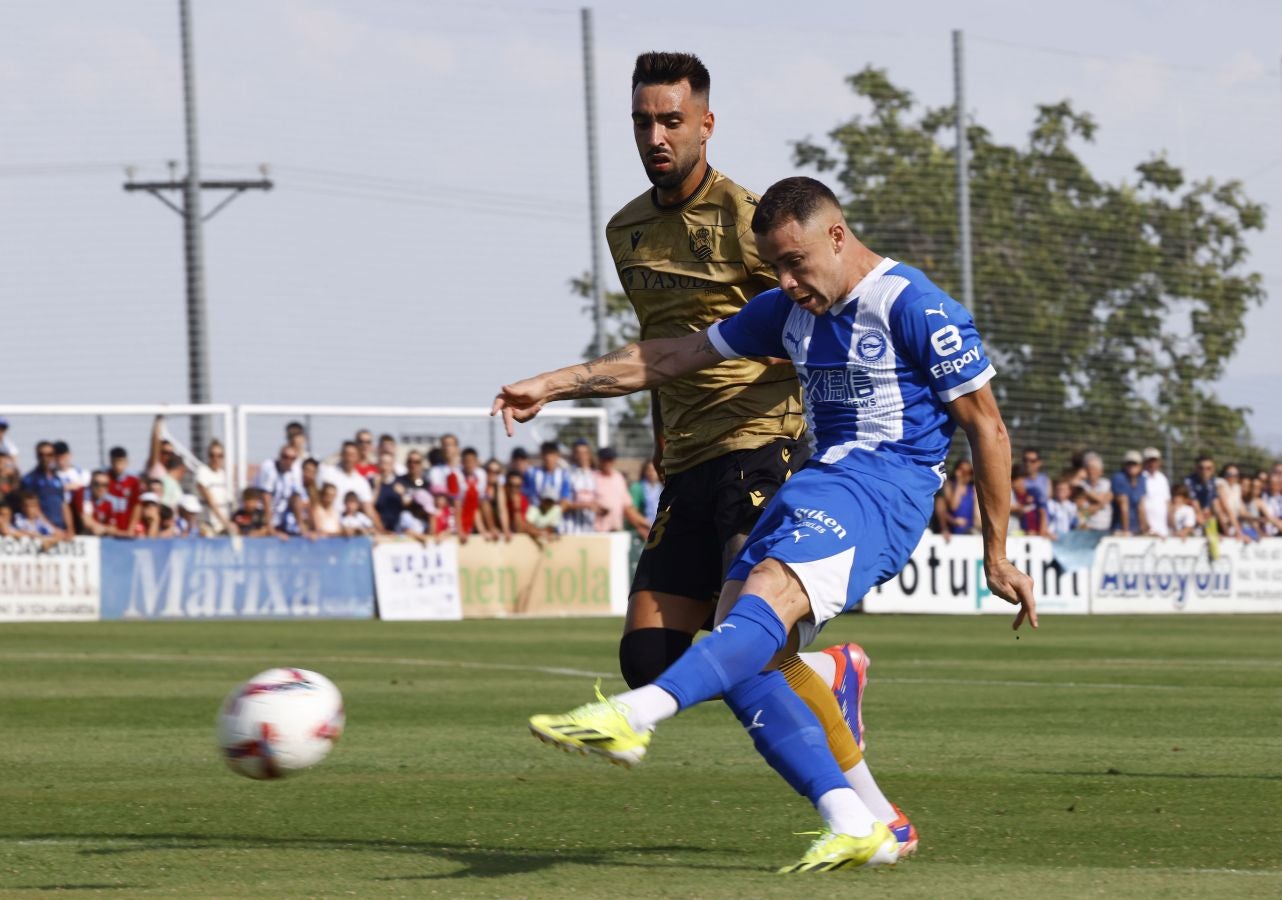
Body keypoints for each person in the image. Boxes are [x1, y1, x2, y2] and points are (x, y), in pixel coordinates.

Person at [496, 176, 1034, 871]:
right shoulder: (786, 309)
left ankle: (633, 718)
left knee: (763, 601)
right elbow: (669, 356)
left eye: (795, 262)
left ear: (836, 236)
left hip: (884, 489)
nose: (784, 280)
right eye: (774, 265)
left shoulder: (915, 306)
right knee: (745, 651)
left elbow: (986, 427)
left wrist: (998, 553)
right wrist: (553, 383)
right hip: (819, 481)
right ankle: (863, 820)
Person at [602, 51, 913, 855]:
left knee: (751, 640)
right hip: (688, 459)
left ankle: (866, 811)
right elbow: (658, 350)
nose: (656, 135)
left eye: (672, 119)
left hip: (760, 448)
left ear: (706, 123)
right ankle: (837, 686)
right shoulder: (625, 230)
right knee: (649, 656)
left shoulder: (750, 216)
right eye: (644, 121)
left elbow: (826, 304)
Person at [322, 441, 382, 531]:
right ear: (341, 455)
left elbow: (369, 509)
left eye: (352, 455)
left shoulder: (361, 482)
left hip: (350, 528)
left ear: (357, 457)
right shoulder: (328, 473)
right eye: (346, 454)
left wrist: (382, 530)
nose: (349, 458)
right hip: (329, 526)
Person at [595, 447, 650, 537]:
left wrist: (644, 523)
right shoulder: (592, 478)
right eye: (605, 459)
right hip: (597, 532)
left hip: (616, 532)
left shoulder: (618, 478)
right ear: (600, 460)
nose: (608, 462)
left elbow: (627, 507)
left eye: (611, 459)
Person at [255, 444, 308, 536]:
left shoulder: (296, 469)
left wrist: (301, 525)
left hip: (280, 515)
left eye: (292, 458)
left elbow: (295, 498)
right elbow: (266, 497)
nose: (288, 461)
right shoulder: (269, 467)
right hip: (261, 514)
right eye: (285, 457)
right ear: (280, 457)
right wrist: (270, 527)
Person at [21, 441, 71, 536]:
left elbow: (63, 504)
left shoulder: (58, 478)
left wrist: (70, 528)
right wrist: (51, 529)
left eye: (49, 454)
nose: (45, 458)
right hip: (42, 531)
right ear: (37, 456)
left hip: (61, 530)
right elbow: (32, 507)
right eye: (42, 454)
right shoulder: (30, 479)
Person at [195, 439, 235, 535]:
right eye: (212, 455)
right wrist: (226, 523)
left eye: (220, 456)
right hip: (207, 524)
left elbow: (230, 501)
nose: (215, 459)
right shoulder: (203, 472)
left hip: (222, 525)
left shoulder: (224, 475)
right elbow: (211, 501)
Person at [562, 439, 598, 534]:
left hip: (590, 530)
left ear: (589, 454)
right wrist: (585, 505)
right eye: (578, 453)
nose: (582, 456)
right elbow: (563, 504)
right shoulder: (567, 475)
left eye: (585, 453)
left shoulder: (594, 475)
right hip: (571, 530)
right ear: (574, 455)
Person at [103, 446, 142, 533]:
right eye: (115, 462)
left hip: (126, 529)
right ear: (111, 462)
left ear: (126, 462)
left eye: (121, 462)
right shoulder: (104, 479)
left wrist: (131, 528)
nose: (118, 466)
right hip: (108, 531)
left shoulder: (133, 482)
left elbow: (137, 506)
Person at [936, 458, 978, 537]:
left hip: (969, 531)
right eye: (963, 471)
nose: (965, 475)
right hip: (953, 531)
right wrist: (959, 484)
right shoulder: (949, 486)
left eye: (969, 472)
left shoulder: (972, 489)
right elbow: (953, 507)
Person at [1110, 451, 1148, 536]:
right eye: (1129, 464)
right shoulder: (1119, 478)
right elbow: (1124, 506)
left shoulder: (1142, 479)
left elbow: (1141, 507)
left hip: (1136, 529)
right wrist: (1125, 531)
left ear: (1140, 466)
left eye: (1135, 464)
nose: (1131, 467)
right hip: (1120, 529)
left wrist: (1144, 529)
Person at [1076, 451, 1112, 531]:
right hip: (1087, 529)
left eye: (1094, 469)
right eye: (1088, 469)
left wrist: (1087, 494)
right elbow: (1080, 513)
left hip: (1105, 528)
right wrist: (1100, 505)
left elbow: (1104, 499)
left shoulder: (1107, 484)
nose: (1091, 472)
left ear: (1101, 471)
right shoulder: (1081, 485)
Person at [1184, 456, 1221, 532]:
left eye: (1208, 468)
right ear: (1196, 469)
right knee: (1196, 515)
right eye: (1201, 468)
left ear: (1213, 470)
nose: (1204, 471)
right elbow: (1195, 505)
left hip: (1207, 515)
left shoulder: (1213, 481)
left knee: (1221, 514)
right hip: (1193, 514)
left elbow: (1216, 504)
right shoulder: (1190, 481)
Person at [1140, 447, 1170, 537]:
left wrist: (1172, 526)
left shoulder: (1162, 478)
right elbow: (1141, 505)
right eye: (1149, 461)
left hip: (1163, 530)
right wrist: (1146, 527)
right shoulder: (1141, 478)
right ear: (1144, 462)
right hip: (1148, 531)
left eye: (1155, 461)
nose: (1152, 464)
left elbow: (1167, 503)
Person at [630, 460, 663, 525]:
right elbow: (633, 511)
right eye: (649, 470)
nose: (651, 473)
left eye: (654, 470)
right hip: (644, 527)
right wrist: (647, 524)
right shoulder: (637, 488)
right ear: (644, 472)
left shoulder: (661, 488)